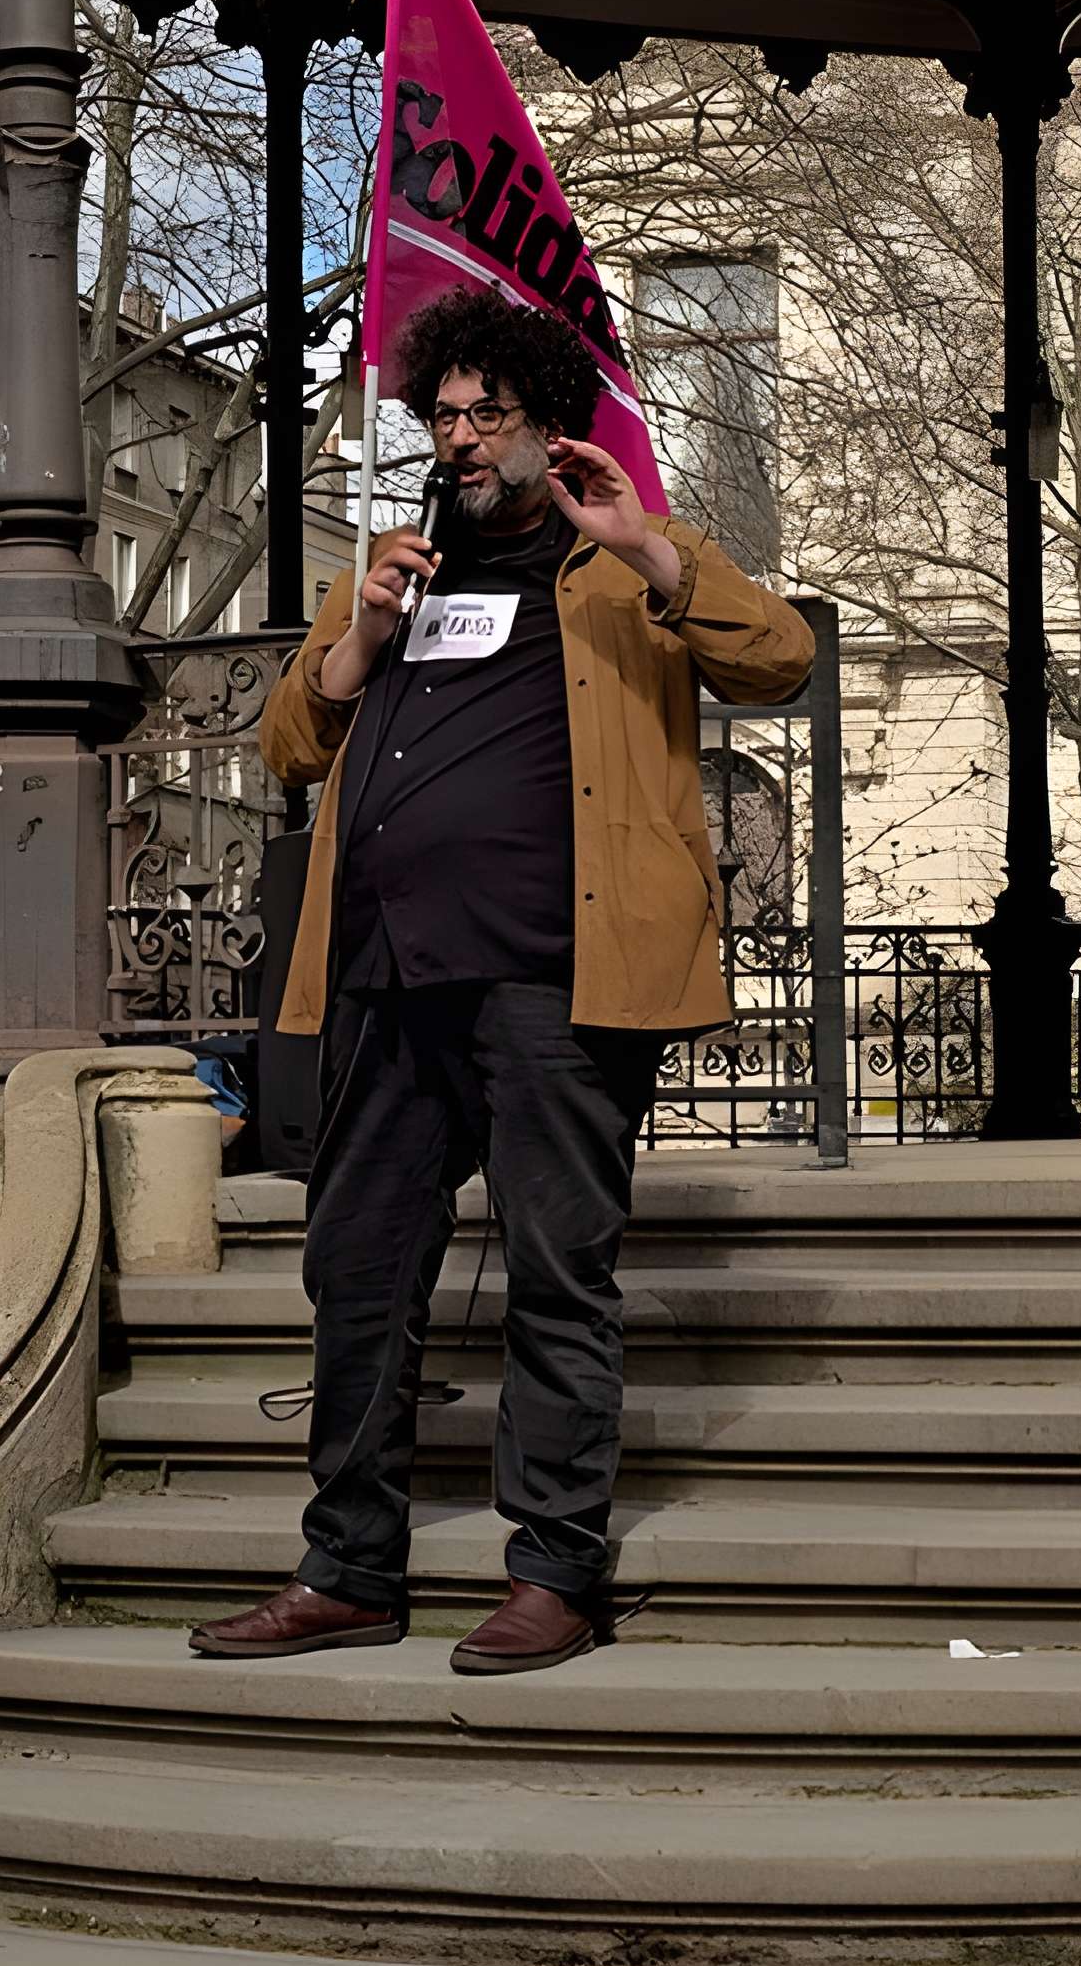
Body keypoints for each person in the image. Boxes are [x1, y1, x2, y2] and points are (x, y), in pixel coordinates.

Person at [188, 284, 814, 1676]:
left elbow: (782, 661)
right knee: (356, 1268)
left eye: (492, 415)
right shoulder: (399, 580)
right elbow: (290, 746)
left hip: (556, 982)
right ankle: (348, 1568)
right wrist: (356, 640)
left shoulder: (620, 577)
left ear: (549, 431)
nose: (463, 438)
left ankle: (556, 1568)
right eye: (444, 415)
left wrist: (651, 546)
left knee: (555, 1271)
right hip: (382, 985)